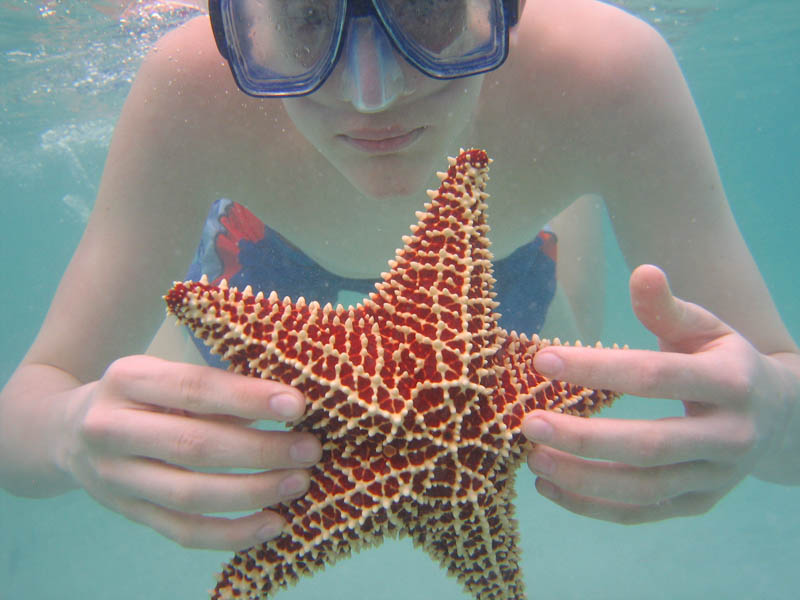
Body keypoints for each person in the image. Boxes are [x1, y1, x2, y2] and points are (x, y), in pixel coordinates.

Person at [1, 0, 799, 555]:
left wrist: (770, 414)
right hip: (272, 245)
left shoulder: (610, 71)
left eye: (424, 5)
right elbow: (25, 416)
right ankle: (553, 199)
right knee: (185, 397)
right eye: (308, 17)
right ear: (241, 24)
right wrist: (72, 434)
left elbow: (783, 392)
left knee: (560, 356)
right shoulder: (186, 89)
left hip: (490, 249)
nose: (370, 95)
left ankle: (564, 206)